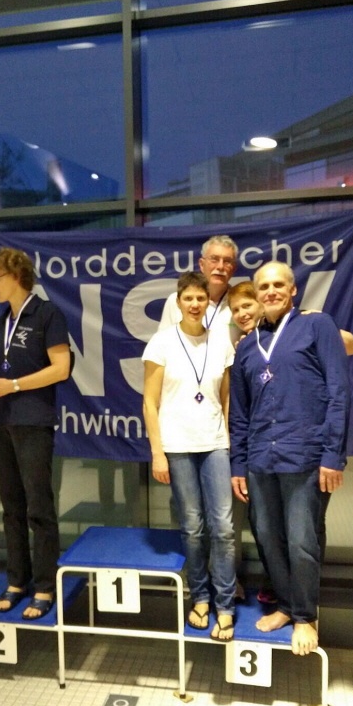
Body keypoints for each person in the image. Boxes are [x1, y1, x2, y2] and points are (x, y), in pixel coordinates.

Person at [230, 262, 349, 656]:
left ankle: (305, 616)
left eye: (278, 284)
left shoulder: (317, 326)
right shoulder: (247, 346)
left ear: (293, 289)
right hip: (261, 459)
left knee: (301, 541)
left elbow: (339, 392)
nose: (271, 291)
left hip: (306, 456)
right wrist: (238, 464)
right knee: (267, 537)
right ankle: (285, 605)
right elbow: (240, 413)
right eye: (264, 286)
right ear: (256, 292)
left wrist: (333, 454)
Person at [0, 247, 70, 619]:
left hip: (33, 422)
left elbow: (61, 369)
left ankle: (45, 585)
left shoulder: (47, 313)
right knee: (11, 507)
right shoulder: (3, 319)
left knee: (38, 507)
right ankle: (17, 580)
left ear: (16, 276)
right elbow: (7, 369)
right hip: (1, 422)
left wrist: (11, 386)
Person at [143, 272, 237, 640]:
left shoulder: (221, 342)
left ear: (207, 302)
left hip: (214, 443)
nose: (195, 304)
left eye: (201, 298)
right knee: (194, 527)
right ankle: (200, 597)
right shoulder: (162, 342)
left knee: (224, 528)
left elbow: (225, 398)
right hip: (177, 445)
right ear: (178, 302)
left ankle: (225, 605)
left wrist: (229, 441)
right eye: (188, 298)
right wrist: (157, 453)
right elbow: (149, 403)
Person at [159, 234, 239, 345]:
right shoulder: (176, 301)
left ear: (233, 268)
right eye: (214, 259)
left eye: (227, 261)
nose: (220, 266)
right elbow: (162, 344)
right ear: (202, 264)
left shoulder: (239, 303)